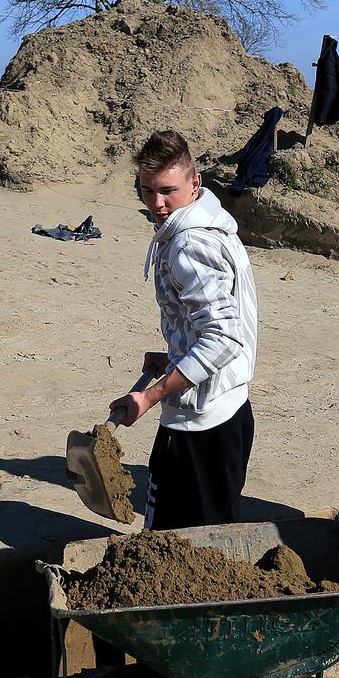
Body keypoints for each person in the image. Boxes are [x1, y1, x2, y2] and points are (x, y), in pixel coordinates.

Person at [110, 130, 259, 531]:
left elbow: (223, 339)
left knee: (181, 541)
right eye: (147, 191)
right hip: (225, 406)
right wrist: (175, 357)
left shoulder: (191, 245)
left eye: (167, 191)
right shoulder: (206, 225)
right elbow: (218, 324)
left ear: (195, 183)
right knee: (205, 536)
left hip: (203, 422)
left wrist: (150, 395)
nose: (156, 204)